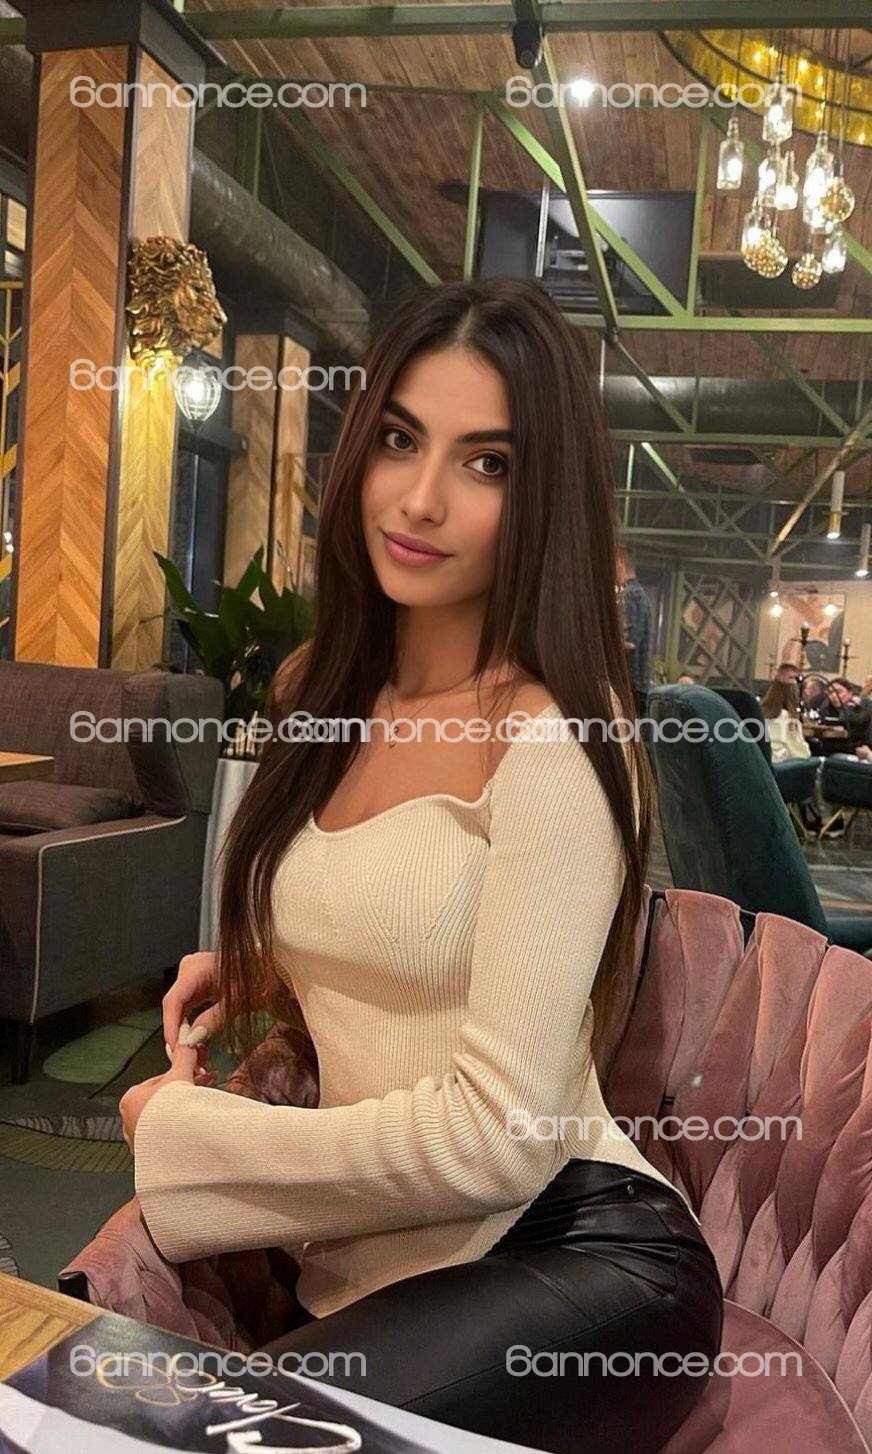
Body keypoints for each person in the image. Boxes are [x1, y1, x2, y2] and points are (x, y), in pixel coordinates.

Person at [116, 279, 723, 1454]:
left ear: (539, 497)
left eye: (485, 462)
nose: (422, 496)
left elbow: (499, 1135)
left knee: (204, 1442)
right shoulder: (317, 692)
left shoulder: (555, 736)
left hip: (579, 1249)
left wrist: (174, 1125)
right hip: (373, 1262)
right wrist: (268, 961)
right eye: (400, 438)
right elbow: (394, 910)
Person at [761, 679, 820, 832]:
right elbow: (801, 753)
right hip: (782, 773)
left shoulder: (758, 714)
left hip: (761, 769)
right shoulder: (787, 717)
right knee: (816, 767)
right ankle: (817, 817)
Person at [617, 544, 653, 718]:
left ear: (621, 562)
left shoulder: (631, 595)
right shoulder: (639, 594)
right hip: (637, 687)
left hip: (631, 687)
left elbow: (630, 643)